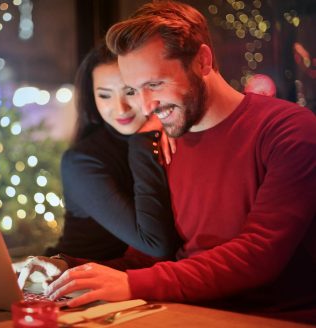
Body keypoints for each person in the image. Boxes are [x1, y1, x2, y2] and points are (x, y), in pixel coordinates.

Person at [18, 0, 316, 319]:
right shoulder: (169, 139)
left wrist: (133, 283)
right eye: (135, 89)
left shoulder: (290, 130)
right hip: (185, 311)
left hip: (269, 317)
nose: (145, 107)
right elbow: (149, 261)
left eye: (155, 84)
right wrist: (68, 271)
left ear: (202, 61)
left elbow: (259, 254)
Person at [41, 43, 181, 263]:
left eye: (130, 92)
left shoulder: (172, 137)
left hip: (129, 285)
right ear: (92, 98)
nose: (121, 108)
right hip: (73, 281)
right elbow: (156, 244)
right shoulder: (82, 161)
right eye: (104, 95)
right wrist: (143, 140)